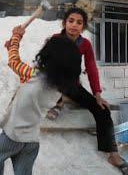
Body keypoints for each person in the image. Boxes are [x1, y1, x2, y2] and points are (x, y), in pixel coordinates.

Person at [45, 7, 128, 175]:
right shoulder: (55, 40)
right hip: (53, 84)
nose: (74, 25)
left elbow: (91, 68)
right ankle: (58, 102)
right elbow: (44, 64)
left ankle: (113, 155)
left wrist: (98, 95)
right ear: (64, 23)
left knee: (102, 110)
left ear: (84, 27)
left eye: (79, 23)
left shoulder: (85, 44)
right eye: (71, 21)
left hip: (72, 86)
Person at [0, 25, 82, 175]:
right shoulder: (57, 88)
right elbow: (20, 68)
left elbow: (14, 62)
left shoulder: (33, 76)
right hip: (32, 140)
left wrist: (16, 38)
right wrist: (11, 46)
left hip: (12, 136)